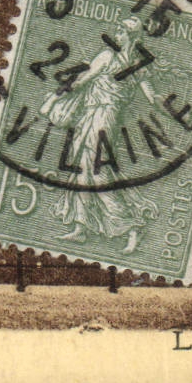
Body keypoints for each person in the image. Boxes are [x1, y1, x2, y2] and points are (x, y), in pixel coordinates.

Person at [39, 16, 158, 253]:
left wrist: (55, 97)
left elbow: (82, 81)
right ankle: (81, 227)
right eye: (118, 29)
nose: (117, 34)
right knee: (83, 168)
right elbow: (85, 80)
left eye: (122, 31)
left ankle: (132, 226)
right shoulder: (126, 61)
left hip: (104, 116)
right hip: (93, 115)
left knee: (98, 172)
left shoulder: (119, 60)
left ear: (132, 36)